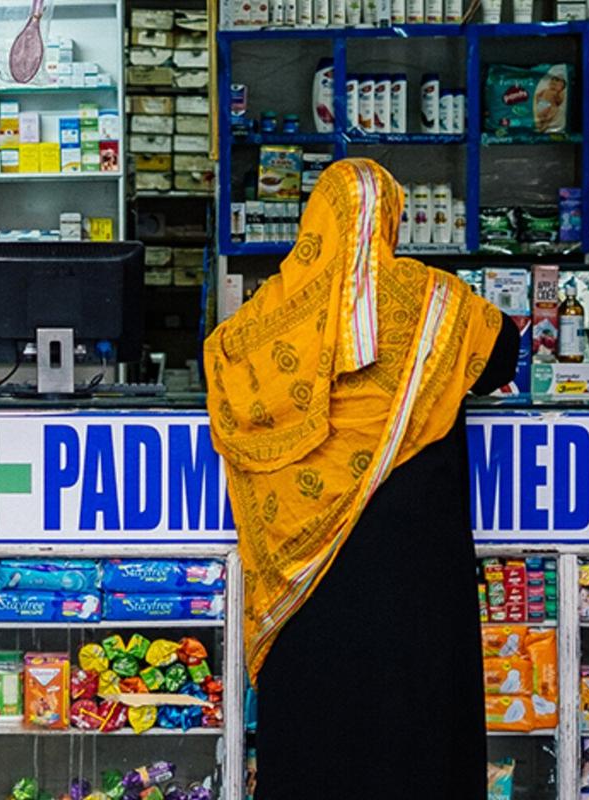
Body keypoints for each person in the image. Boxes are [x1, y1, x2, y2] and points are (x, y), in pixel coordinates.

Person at [204, 159, 517, 798]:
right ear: (393, 222)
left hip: (308, 581)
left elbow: (221, 366)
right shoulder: (438, 302)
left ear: (315, 224)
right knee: (418, 731)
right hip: (416, 573)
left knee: (317, 738)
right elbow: (504, 353)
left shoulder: (272, 313)